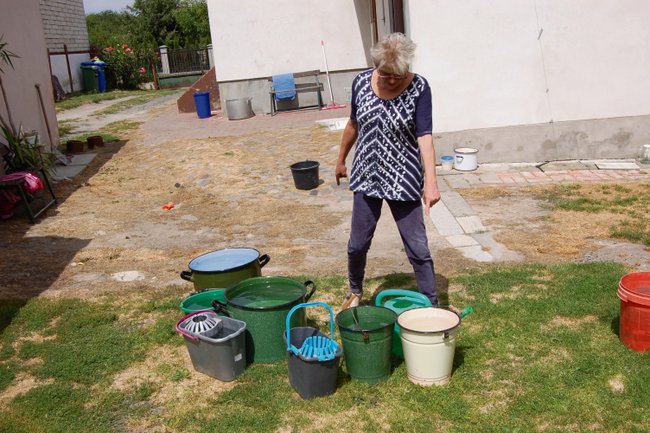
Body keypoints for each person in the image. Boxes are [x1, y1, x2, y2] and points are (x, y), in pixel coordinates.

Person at [335, 32, 440, 309]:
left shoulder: (419, 88)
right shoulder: (360, 82)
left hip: (403, 177)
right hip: (366, 174)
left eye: (398, 74)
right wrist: (341, 159)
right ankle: (355, 291)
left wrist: (431, 182)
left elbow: (425, 136)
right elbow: (353, 125)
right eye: (385, 74)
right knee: (357, 244)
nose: (392, 80)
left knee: (417, 247)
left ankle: (431, 305)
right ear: (375, 65)